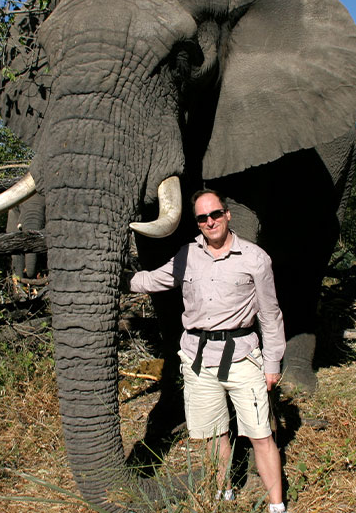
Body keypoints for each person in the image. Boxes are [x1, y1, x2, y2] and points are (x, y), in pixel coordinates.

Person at [129, 189, 288, 513]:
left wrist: (272, 363)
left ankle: (277, 505)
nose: (210, 221)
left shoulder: (255, 258)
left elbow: (270, 315)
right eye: (202, 217)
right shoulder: (187, 255)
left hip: (243, 358)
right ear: (197, 223)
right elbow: (152, 281)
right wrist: (114, 277)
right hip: (199, 360)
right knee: (216, 434)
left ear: (227, 214)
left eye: (215, 214)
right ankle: (223, 492)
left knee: (260, 435)